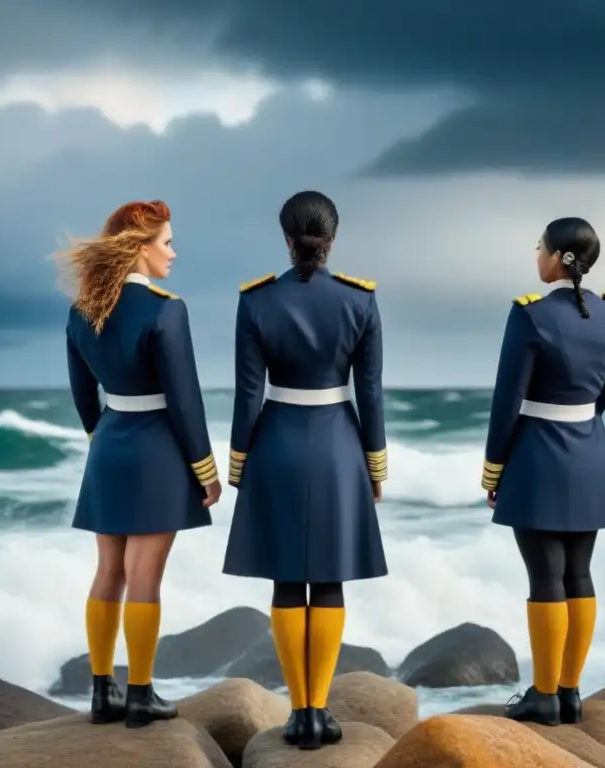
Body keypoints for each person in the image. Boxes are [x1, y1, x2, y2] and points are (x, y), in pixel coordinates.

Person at [222, 191, 388, 751]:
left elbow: (249, 393)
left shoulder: (256, 301)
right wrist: (375, 462)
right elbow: (370, 391)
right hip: (340, 444)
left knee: (288, 579)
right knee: (331, 578)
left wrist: (239, 461)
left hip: (277, 444)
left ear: (286, 239)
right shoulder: (359, 301)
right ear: (332, 239)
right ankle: (322, 711)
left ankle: (297, 714)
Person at [58, 200, 222, 729]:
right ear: (140, 246)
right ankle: (140, 695)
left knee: (108, 570)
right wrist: (204, 467)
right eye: (167, 242)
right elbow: (185, 399)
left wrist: (101, 435)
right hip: (156, 449)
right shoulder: (166, 309)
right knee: (144, 575)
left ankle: (101, 692)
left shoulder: (82, 310)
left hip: (108, 444)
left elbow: (85, 395)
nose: (173, 252)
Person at [483, 217, 605, 727]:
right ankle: (570, 692)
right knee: (579, 572)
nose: (536, 253)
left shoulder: (530, 316)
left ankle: (543, 695)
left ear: (560, 258)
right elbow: (602, 399)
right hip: (590, 453)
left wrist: (493, 468)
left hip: (538, 456)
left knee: (544, 575)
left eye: (540, 246)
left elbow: (507, 401)